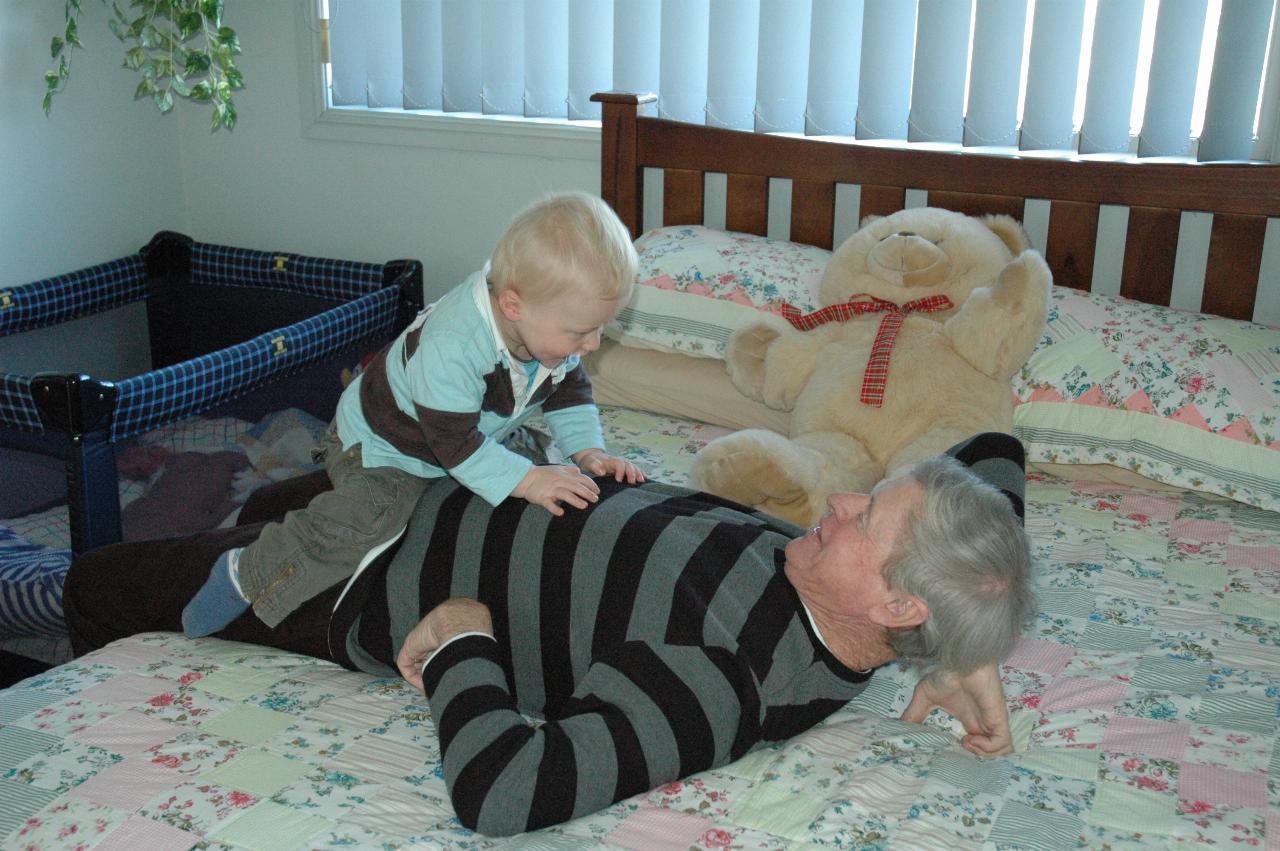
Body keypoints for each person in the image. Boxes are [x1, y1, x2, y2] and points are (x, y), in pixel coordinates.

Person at [65, 432, 1032, 838]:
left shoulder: (726, 681)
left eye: (868, 518)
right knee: (277, 491)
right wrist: (965, 647)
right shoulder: (835, 580)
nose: (839, 500)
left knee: (97, 585)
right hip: (445, 481)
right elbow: (999, 454)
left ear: (900, 604)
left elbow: (505, 792)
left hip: (365, 577)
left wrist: (459, 635)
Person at [180, 191, 646, 638]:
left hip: (463, 433)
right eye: (582, 332)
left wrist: (588, 453)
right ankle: (248, 572)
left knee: (540, 468)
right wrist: (526, 480)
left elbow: (568, 390)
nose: (593, 344)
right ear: (513, 306)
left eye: (601, 328)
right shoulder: (453, 346)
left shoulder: (544, 326)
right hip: (386, 444)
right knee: (375, 517)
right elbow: (454, 445)